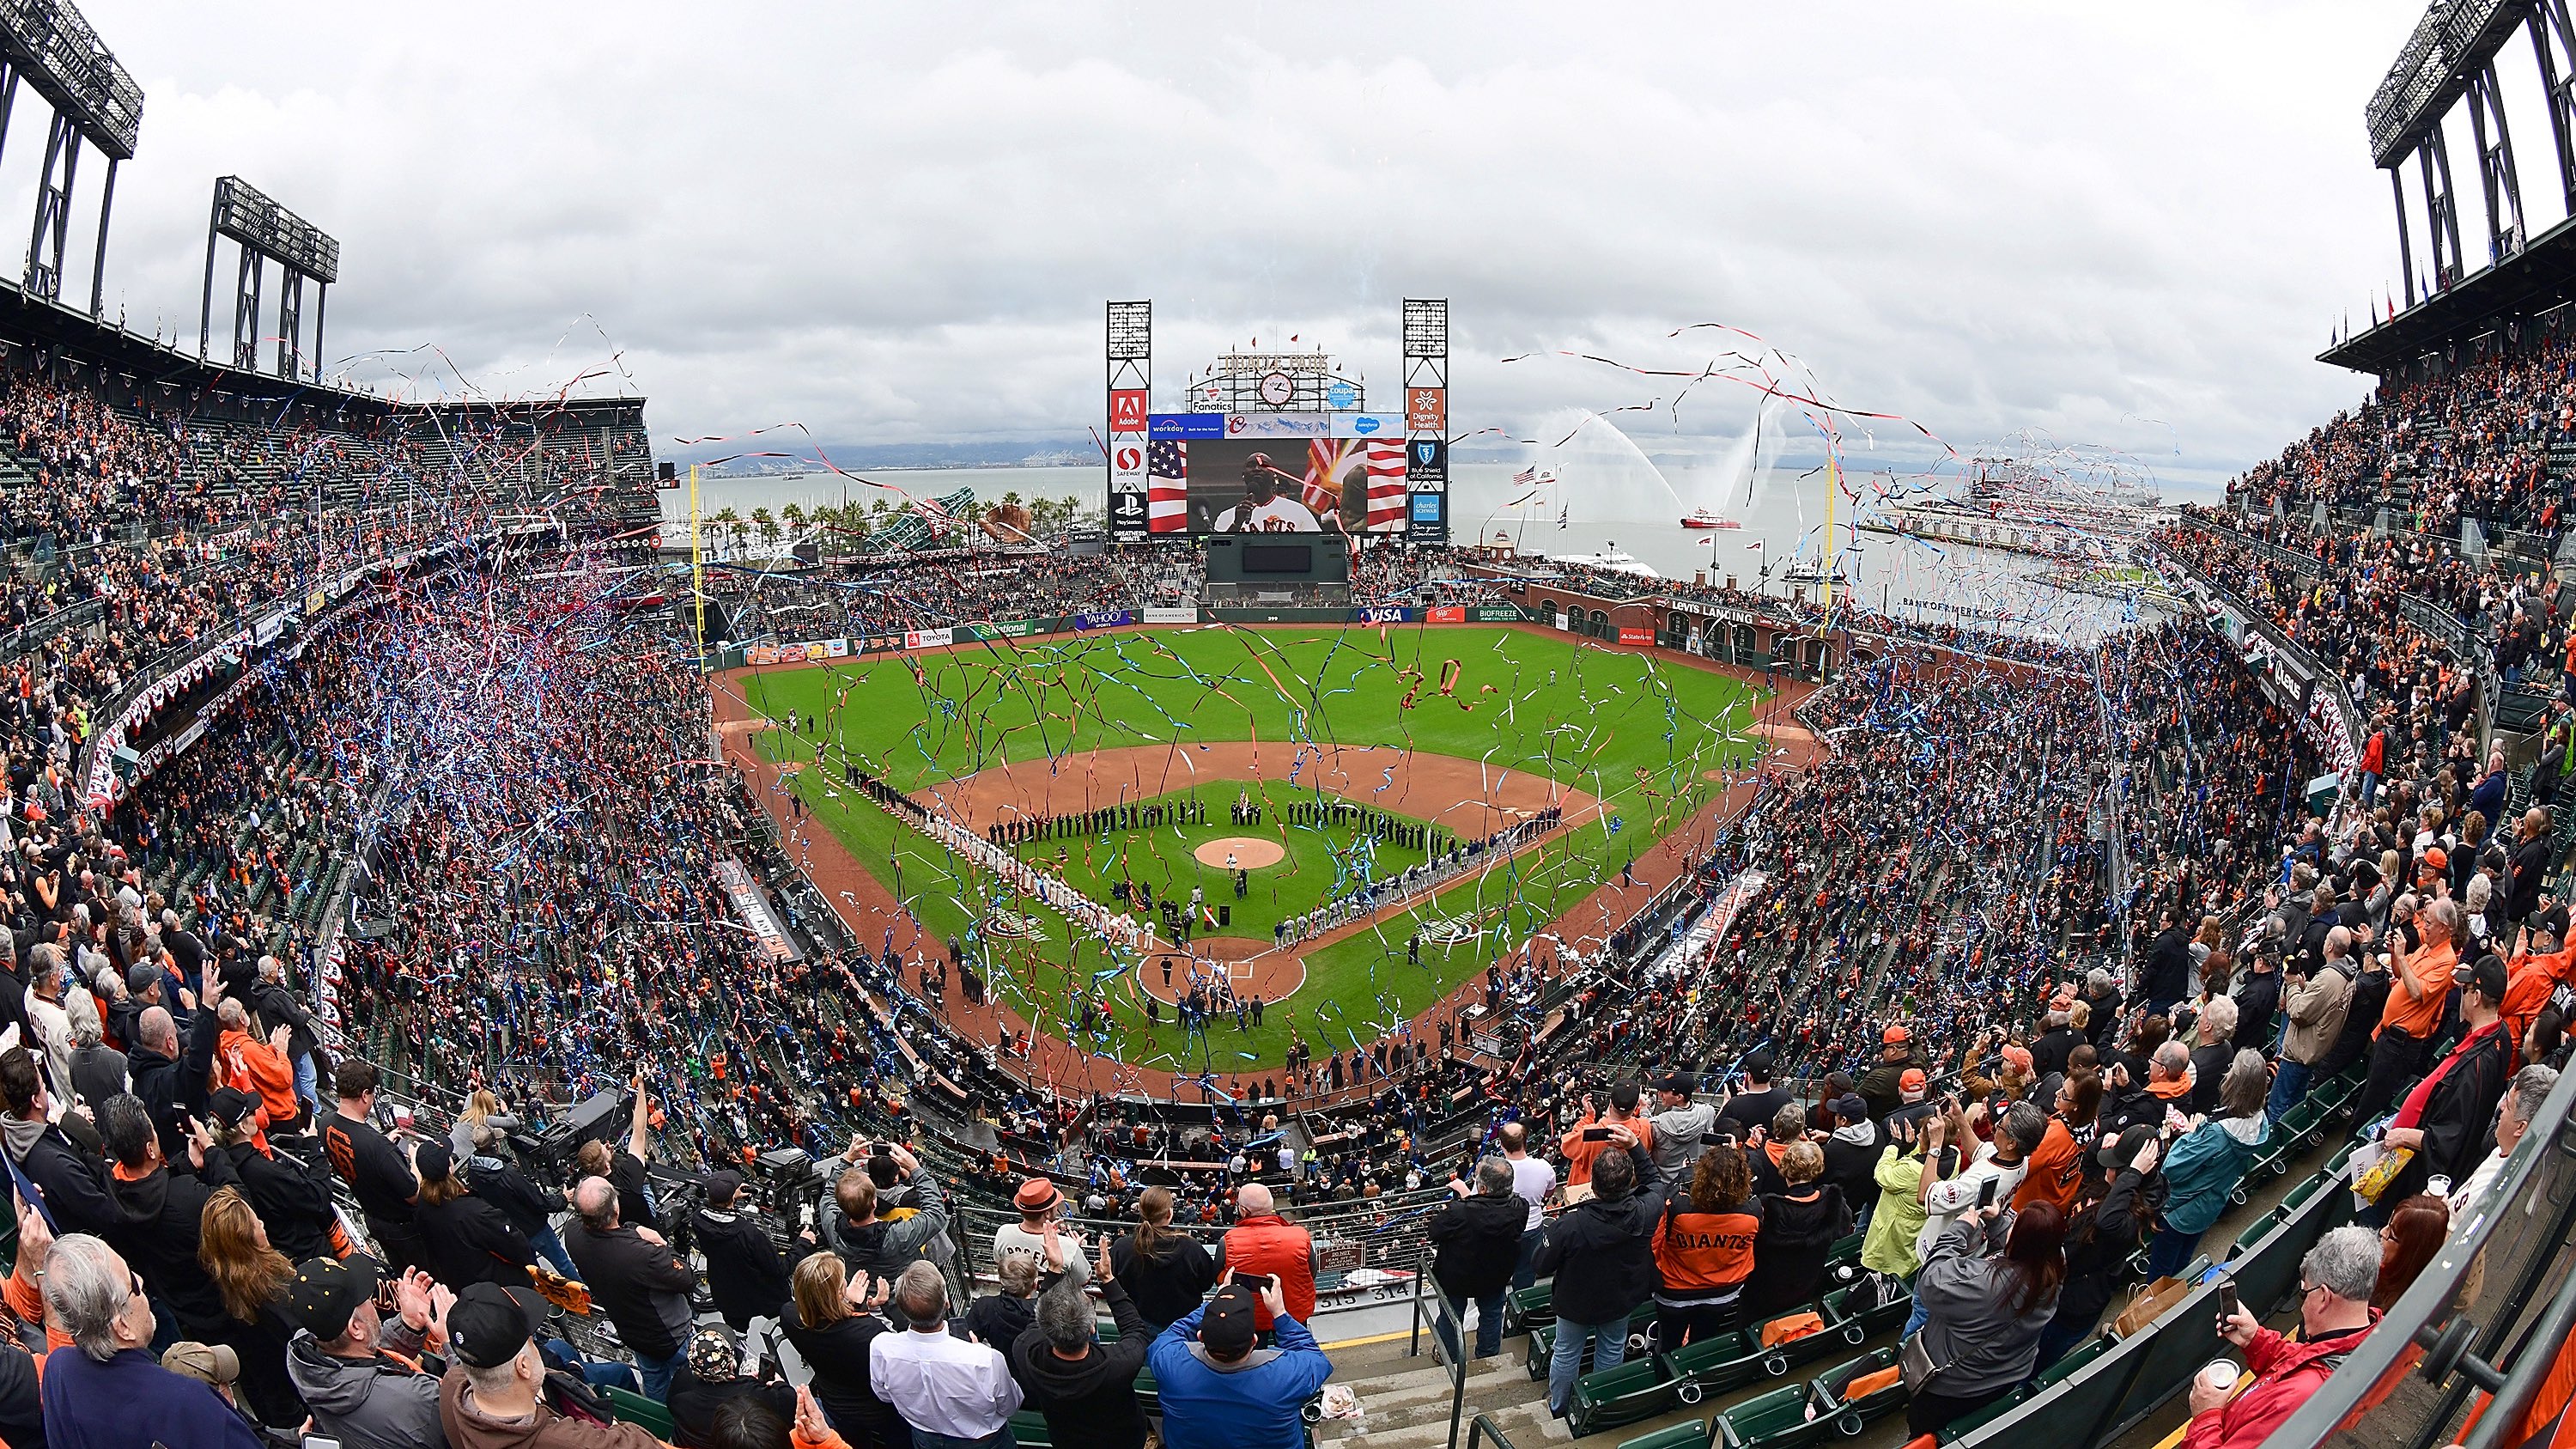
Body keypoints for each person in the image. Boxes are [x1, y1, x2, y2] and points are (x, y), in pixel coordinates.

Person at [38, 1231, 264, 1449]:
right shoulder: (188, 1404)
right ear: (123, 1327)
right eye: (132, 1283)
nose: (140, 1279)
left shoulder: (58, 1371)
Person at [2184, 1226, 2383, 1449]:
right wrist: (2256, 1339)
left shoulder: (2299, 1400)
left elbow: (2298, 1383)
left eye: (2304, 1293)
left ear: (2324, 1297)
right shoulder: (2361, 1341)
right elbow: (2303, 1361)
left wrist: (2206, 1416)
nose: (2303, 1305)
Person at [1534, 1124, 1669, 1418]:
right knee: (1611, 1349)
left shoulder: (1568, 1225)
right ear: (1628, 1185)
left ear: (1593, 1185)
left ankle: (1559, 1407)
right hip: (1620, 1297)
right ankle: (1597, 1404)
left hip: (1576, 1301)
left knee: (1567, 1352)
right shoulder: (1646, 1211)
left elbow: (1540, 1264)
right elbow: (1656, 1183)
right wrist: (1635, 1146)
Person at [1904, 1201, 2067, 1436]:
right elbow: (2023, 1255)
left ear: (2020, 1238)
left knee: (1923, 1432)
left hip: (1954, 1386)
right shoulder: (2055, 1264)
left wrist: (1959, 1229)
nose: (2010, 1226)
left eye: (2015, 1224)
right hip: (2005, 1375)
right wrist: (1998, 1222)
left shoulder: (1984, 1284)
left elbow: (1931, 1281)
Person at [440, 1280, 667, 1448]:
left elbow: (460, 1370)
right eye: (532, 1343)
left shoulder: (451, 1387)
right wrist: (615, 1428)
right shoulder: (573, 1442)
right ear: (523, 1367)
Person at [2373, 954, 2515, 1212]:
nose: (2462, 994)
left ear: (2477, 997)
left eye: (2467, 989)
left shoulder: (2476, 1067)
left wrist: (2402, 1135)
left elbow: (2444, 1142)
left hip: (2419, 1176)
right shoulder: (2498, 1034)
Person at [98, 1091, 234, 1343]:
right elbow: (238, 1205)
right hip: (219, 1304)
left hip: (179, 1305)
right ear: (150, 1149)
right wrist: (213, 1152)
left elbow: (150, 1187)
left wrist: (187, 1165)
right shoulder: (184, 1199)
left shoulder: (111, 1191)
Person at [282, 1254, 455, 1449]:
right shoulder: (417, 1399)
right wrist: (453, 1344)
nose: (372, 1303)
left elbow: (358, 1365)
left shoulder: (305, 1358)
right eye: (367, 1300)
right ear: (356, 1328)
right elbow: (473, 1412)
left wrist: (409, 1324)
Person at [1147, 1277, 1334, 1449]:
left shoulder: (1169, 1363)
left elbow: (1171, 1335)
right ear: (1254, 1341)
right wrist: (1280, 1314)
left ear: (1200, 1337)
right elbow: (1316, 1359)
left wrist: (1212, 1306)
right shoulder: (1285, 1373)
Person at [566, 1172, 697, 1403]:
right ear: (615, 1208)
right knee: (691, 1380)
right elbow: (686, 1277)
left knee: (654, 1380)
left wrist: (633, 1229)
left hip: (632, 1332)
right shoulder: (643, 1255)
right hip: (670, 1336)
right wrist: (661, 1245)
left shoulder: (572, 1234)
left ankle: (660, 1417)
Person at [1012, 1237, 1152, 1449]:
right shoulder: (1119, 1364)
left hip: (1066, 1439)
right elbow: (1136, 1331)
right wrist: (1107, 1279)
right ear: (1091, 1328)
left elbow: (1035, 1321)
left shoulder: (1025, 1351)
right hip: (1122, 1439)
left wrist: (1054, 1268)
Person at [2037, 1128, 2160, 1369]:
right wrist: (2102, 1143)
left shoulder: (2130, 1218)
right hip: (2057, 1284)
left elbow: (2106, 1222)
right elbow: (2089, 1166)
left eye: (2115, 1167)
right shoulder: (2108, 1186)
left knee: (2033, 1363)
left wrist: (2132, 1172)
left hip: (2071, 1307)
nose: (2108, 1170)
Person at [868, 1260, 1021, 1449]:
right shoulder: (985, 1359)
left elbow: (883, 1395)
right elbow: (1010, 1406)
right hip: (984, 1443)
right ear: (947, 1303)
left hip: (925, 1437)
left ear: (903, 1309)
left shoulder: (882, 1348)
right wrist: (975, 1352)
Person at [2148, 1051, 2273, 1277]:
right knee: (2182, 1262)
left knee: (2160, 1272)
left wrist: (2192, 1133)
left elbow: (2172, 1168)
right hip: (2211, 1204)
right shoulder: (2260, 1121)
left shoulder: (2216, 1135)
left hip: (2179, 1211)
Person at [197, 1183, 311, 1430]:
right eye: (255, 1221)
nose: (261, 1223)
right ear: (246, 1241)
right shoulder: (277, 1293)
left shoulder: (233, 1284)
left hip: (283, 1390)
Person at [779, 1253, 904, 1448]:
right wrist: (870, 1308)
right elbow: (892, 1347)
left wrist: (850, 1304)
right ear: (838, 1293)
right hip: (878, 1408)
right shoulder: (867, 1333)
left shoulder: (789, 1317)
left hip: (835, 1403)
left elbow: (830, 1328)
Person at [819, 1142, 950, 1322]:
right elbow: (935, 1213)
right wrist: (916, 1169)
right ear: (874, 1203)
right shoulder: (898, 1236)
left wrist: (847, 1160)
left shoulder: (831, 1225)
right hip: (901, 1301)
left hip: (862, 1299)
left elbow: (827, 1196)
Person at [2359, 897, 2460, 1125]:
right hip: (2388, 1037)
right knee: (2369, 1095)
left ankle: (2349, 1153)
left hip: (2401, 1045)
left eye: (2429, 922)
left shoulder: (2446, 960)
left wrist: (2403, 955)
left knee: (2371, 1104)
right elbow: (2400, 973)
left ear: (2443, 928)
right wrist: (2395, 952)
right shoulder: (2426, 947)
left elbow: (2417, 991)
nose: (2424, 925)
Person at [1650, 1142, 1762, 1349]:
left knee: (1668, 1345)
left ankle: (1665, 1378)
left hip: (1676, 1291)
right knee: (1702, 1343)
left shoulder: (1678, 1206)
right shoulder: (1753, 1211)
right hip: (1723, 1291)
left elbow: (1655, 1244)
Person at [0, 1044, 116, 1236]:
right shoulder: (55, 1165)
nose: (46, 1090)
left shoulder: (15, 1135)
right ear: (36, 1101)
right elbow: (106, 1215)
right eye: (43, 1086)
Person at [325, 1059, 427, 1276]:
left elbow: (358, 1150)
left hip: (373, 1218)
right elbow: (414, 1195)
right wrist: (415, 1162)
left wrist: (383, 1145)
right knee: (424, 1277)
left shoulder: (325, 1123)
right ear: (364, 1095)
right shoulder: (378, 1148)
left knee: (403, 1275)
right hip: (402, 1226)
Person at [1427, 1156, 1524, 1361]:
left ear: (1482, 1189)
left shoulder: (1460, 1211)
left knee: (1451, 1316)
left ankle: (1449, 1356)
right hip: (1496, 1275)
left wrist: (1464, 1198)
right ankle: (1488, 1356)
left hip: (1457, 1276)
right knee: (1492, 1313)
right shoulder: (1520, 1207)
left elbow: (1434, 1230)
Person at [1743, 1139, 1852, 1317]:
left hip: (1765, 1287)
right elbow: (1841, 1230)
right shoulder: (1832, 1201)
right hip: (1807, 1282)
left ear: (1785, 1167)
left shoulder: (1769, 1207)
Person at [416, 1140, 539, 1290]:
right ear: (449, 1168)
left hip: (462, 1286)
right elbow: (519, 1249)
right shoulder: (476, 1212)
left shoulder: (423, 1205)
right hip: (502, 1287)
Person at [696, 1169, 804, 1332]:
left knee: (737, 1335)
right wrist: (804, 1243)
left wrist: (731, 1195)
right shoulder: (748, 1233)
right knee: (790, 1323)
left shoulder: (698, 1219)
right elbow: (780, 1268)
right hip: (764, 1295)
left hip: (727, 1295)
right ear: (733, 1196)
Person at [1110, 1185, 1220, 1336]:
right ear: (1169, 1213)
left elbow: (1117, 1282)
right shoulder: (1192, 1247)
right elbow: (1206, 1283)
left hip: (1141, 1327)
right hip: (1185, 1328)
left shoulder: (1122, 1248)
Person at [2451, 1064, 2559, 1216]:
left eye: (2508, 1105)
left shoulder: (2493, 1191)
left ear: (2521, 1127)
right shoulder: (2508, 1148)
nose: (2501, 1107)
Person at [2272, 926, 2354, 1123]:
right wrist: (2306, 987)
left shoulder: (2329, 977)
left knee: (2278, 1104)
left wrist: (2292, 984)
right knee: (2296, 1103)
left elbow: (2299, 1013)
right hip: (2315, 1051)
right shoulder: (2347, 974)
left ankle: (2269, 1147)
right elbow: (2326, 1000)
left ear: (2330, 946)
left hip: (2300, 1052)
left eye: (2326, 939)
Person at [669, 1325, 797, 1449]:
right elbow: (789, 1401)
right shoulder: (753, 1394)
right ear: (731, 1364)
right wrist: (779, 1384)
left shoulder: (680, 1380)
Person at [1218, 1183, 1317, 1335]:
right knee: (1295, 1354)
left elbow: (1220, 1279)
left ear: (1243, 1210)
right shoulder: (1301, 1236)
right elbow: (1312, 1272)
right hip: (1293, 1312)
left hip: (1249, 1317)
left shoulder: (1228, 1241)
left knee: (1254, 1358)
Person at [993, 1176, 1087, 1288]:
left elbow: (999, 1264)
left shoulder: (1003, 1232)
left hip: (1015, 1296)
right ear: (1047, 1213)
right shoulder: (1069, 1246)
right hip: (1051, 1301)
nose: (1057, 1208)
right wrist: (1075, 1248)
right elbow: (1083, 1280)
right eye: (1055, 1205)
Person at [1499, 1120, 1556, 1291]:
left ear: (1501, 1145)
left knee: (1499, 1271)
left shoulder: (1492, 1170)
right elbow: (1549, 1193)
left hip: (1502, 1230)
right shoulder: (1544, 1167)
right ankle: (1519, 1309)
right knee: (1526, 1273)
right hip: (1532, 1228)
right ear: (1526, 1141)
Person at [2372, 1196, 2449, 1311]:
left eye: (2392, 1233)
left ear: (2411, 1250)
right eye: (2389, 1223)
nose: (2382, 1232)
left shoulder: (2402, 1308)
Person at [1644, 1072, 1714, 1179]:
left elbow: (1644, 1131)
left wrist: (1644, 1109)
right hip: (1695, 1181)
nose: (1659, 1094)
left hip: (1663, 1185)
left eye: (1665, 1091)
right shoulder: (1708, 1112)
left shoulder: (1656, 1124)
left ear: (1679, 1097)